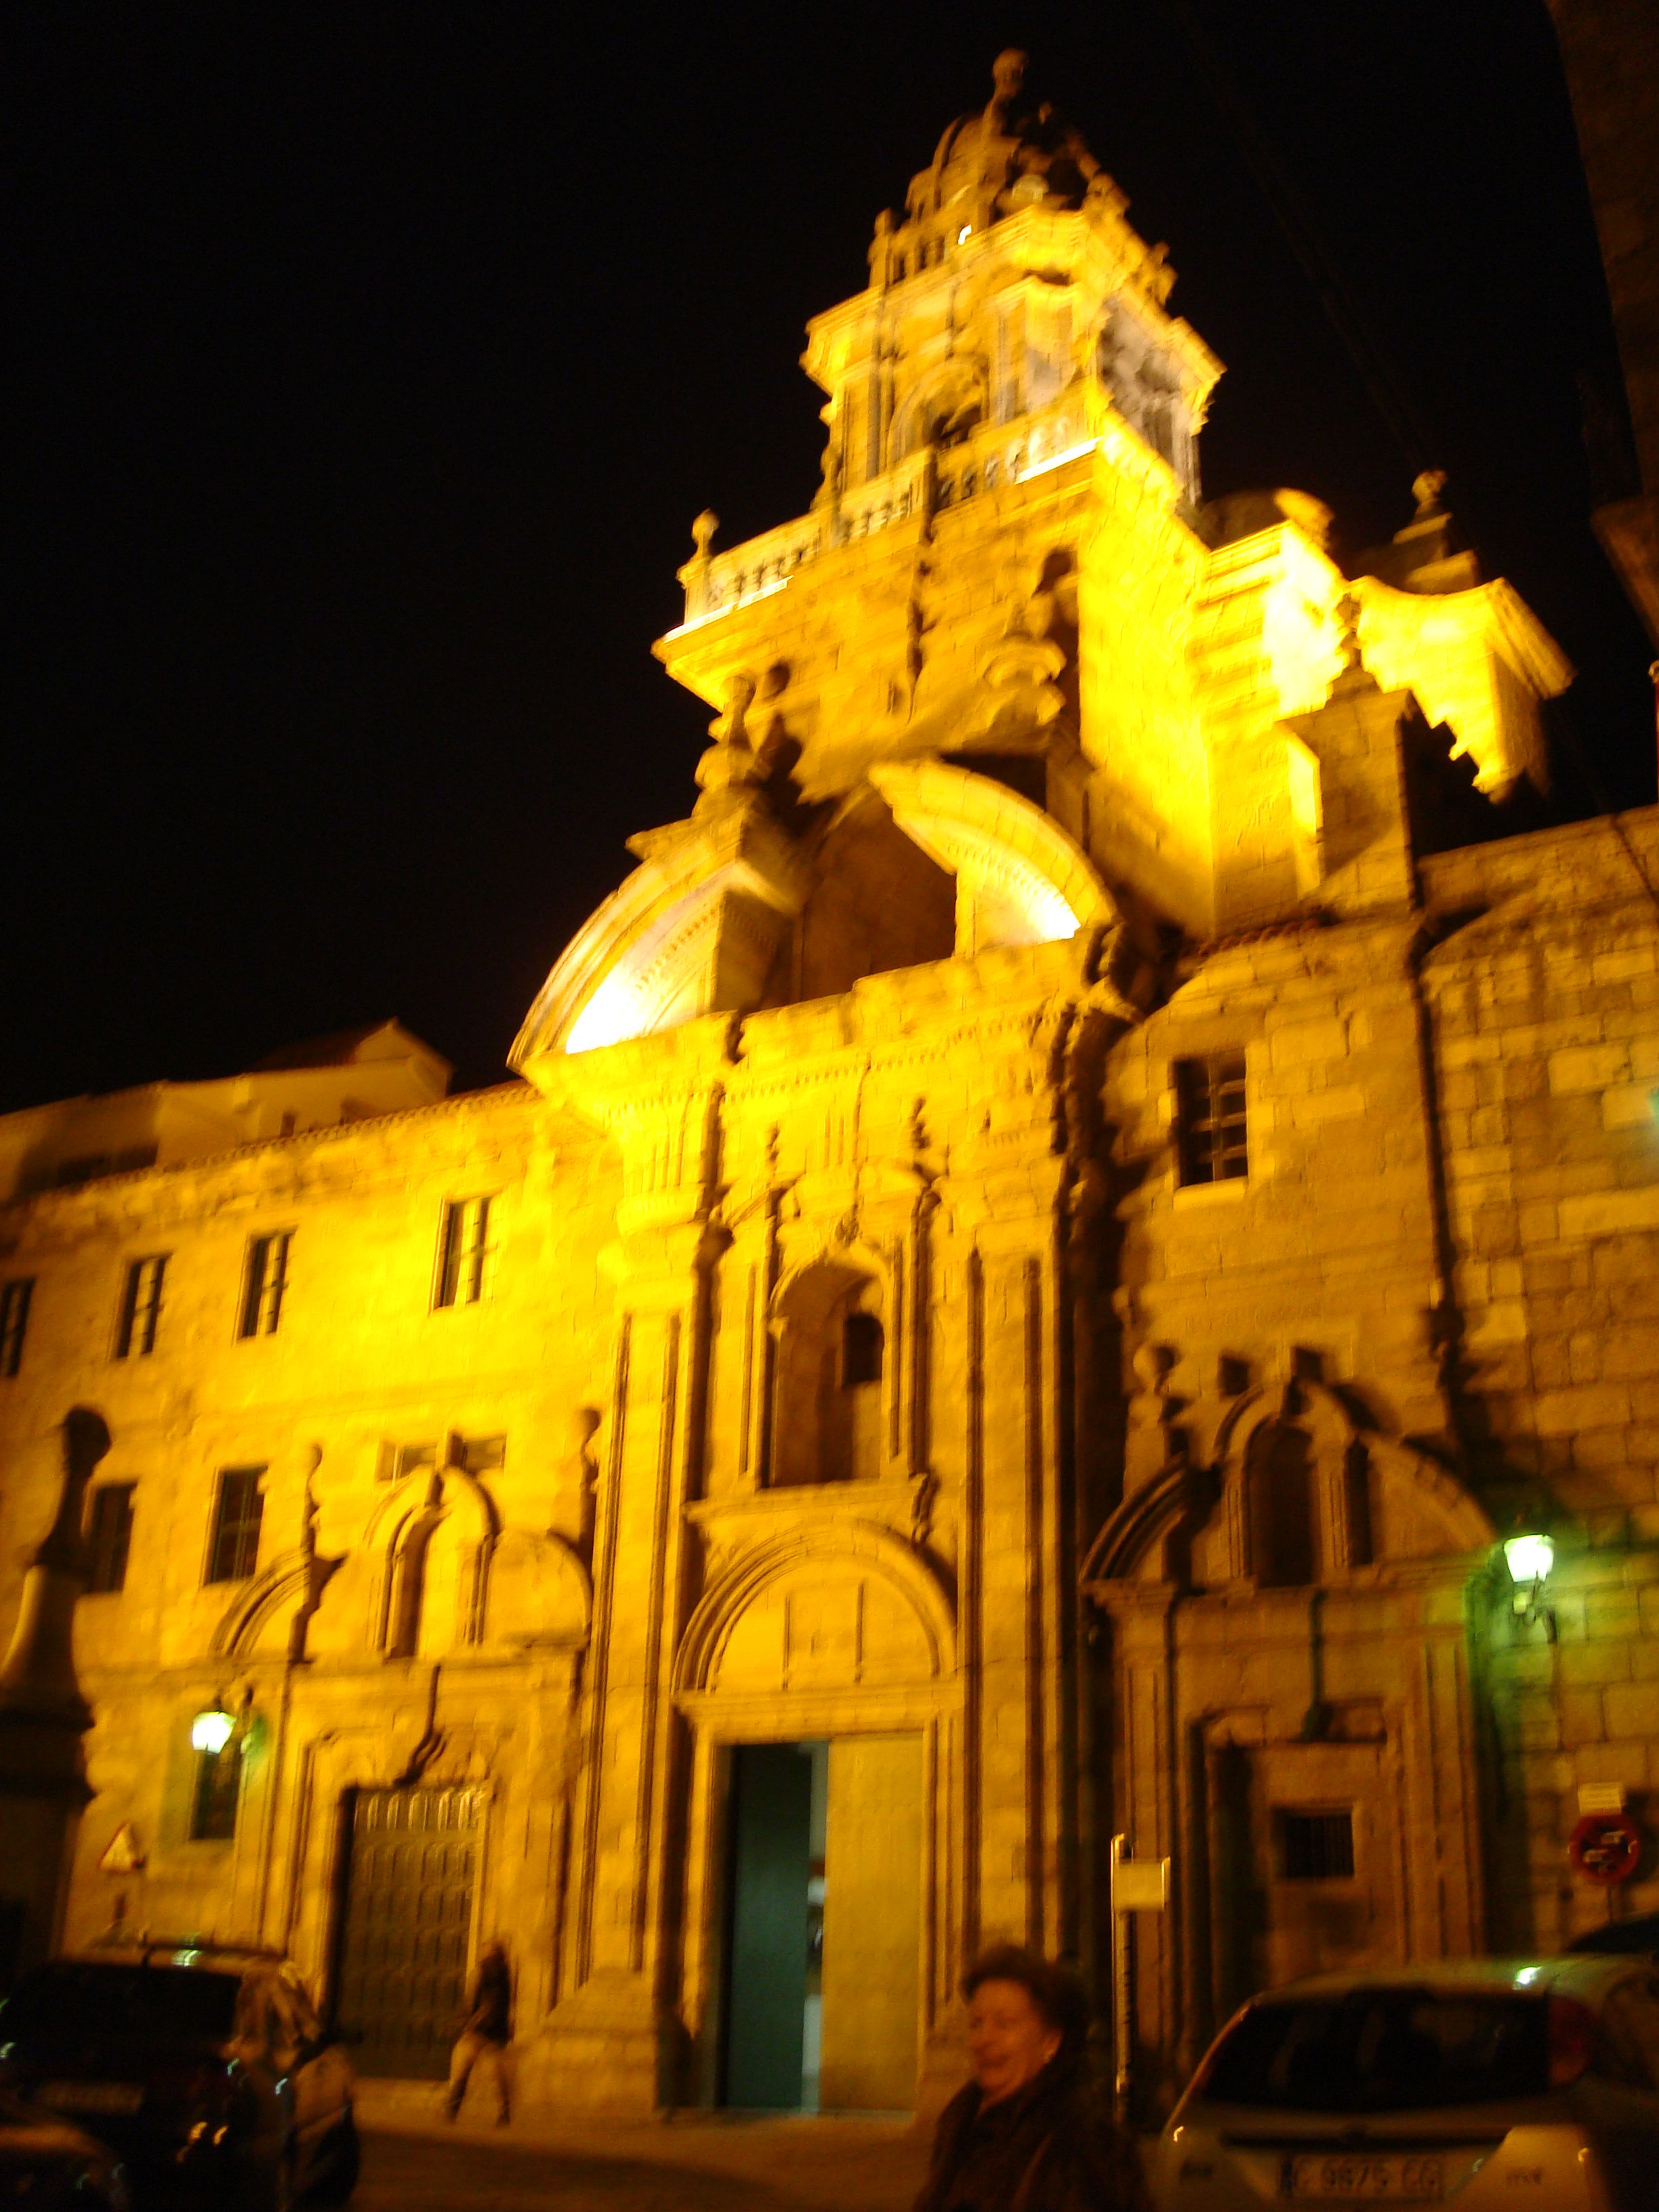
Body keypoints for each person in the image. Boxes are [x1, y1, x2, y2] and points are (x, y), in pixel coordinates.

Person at [914, 1947, 1147, 2212]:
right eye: (976, 2023)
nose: (983, 2040)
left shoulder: (1085, 2146)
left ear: (1051, 2041)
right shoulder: (959, 2123)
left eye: (1004, 2023)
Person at [445, 1940, 512, 2125]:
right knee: (496, 2074)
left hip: (476, 2030)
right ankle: (503, 2112)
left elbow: (472, 2000)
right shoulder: (505, 1974)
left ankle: (451, 2110)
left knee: (460, 2069)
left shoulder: (481, 1970)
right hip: (496, 2031)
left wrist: (469, 2023)